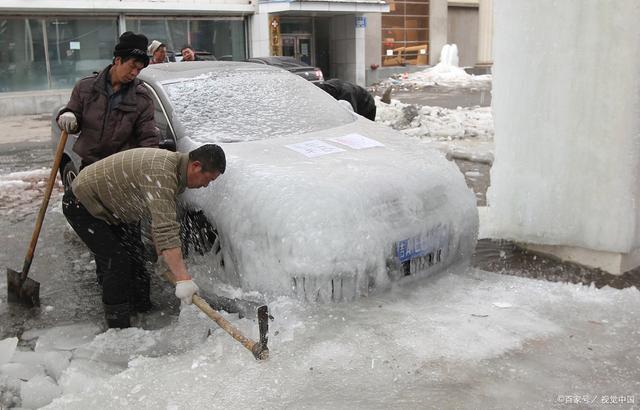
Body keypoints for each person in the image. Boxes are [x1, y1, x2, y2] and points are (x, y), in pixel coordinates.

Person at [63, 145, 226, 329]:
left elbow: (158, 219)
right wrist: (183, 279)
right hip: (83, 204)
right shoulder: (163, 172)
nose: (206, 185)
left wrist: (162, 256)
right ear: (196, 166)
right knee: (116, 262)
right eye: (208, 179)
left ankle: (141, 311)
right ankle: (118, 327)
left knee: (136, 261)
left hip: (115, 209)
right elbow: (166, 229)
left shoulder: (175, 173)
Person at [56, 31, 160, 167]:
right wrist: (68, 115)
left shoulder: (141, 97)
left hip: (121, 170)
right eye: (132, 66)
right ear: (118, 60)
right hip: (89, 166)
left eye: (139, 70)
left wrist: (149, 165)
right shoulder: (86, 87)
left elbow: (148, 137)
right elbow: (74, 116)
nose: (134, 73)